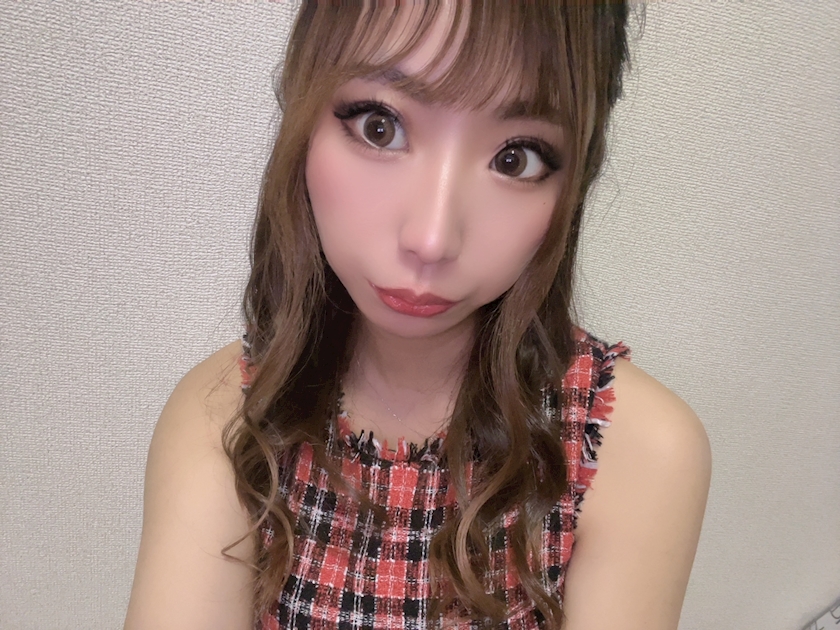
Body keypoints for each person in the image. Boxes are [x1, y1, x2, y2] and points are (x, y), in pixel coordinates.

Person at [124, 2, 711, 629]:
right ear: (302, 110)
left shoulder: (632, 451)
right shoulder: (229, 419)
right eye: (380, 127)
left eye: (516, 158)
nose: (431, 240)